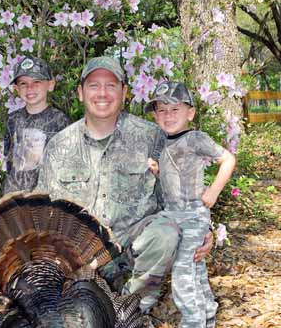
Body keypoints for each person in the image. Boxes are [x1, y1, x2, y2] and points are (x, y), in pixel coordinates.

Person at [37, 56, 213, 314]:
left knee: (166, 232)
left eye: (111, 85)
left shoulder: (151, 137)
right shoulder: (59, 145)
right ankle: (91, 305)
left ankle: (129, 312)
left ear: (124, 92)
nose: (102, 94)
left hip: (131, 247)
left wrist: (203, 227)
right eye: (94, 85)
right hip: (80, 253)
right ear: (80, 93)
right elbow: (44, 211)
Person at [145, 81, 236, 328]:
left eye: (175, 109)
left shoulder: (195, 138)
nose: (168, 115)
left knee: (184, 272)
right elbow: (175, 175)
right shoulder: (162, 141)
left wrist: (214, 192)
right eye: (161, 110)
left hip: (194, 215)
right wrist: (158, 172)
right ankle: (207, 319)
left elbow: (228, 159)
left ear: (190, 113)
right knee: (195, 269)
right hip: (173, 215)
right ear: (154, 115)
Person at [3, 56, 70, 193]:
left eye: (37, 82)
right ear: (16, 88)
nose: (30, 88)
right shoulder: (13, 120)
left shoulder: (60, 121)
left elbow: (66, 167)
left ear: (50, 85)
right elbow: (9, 158)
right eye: (23, 84)